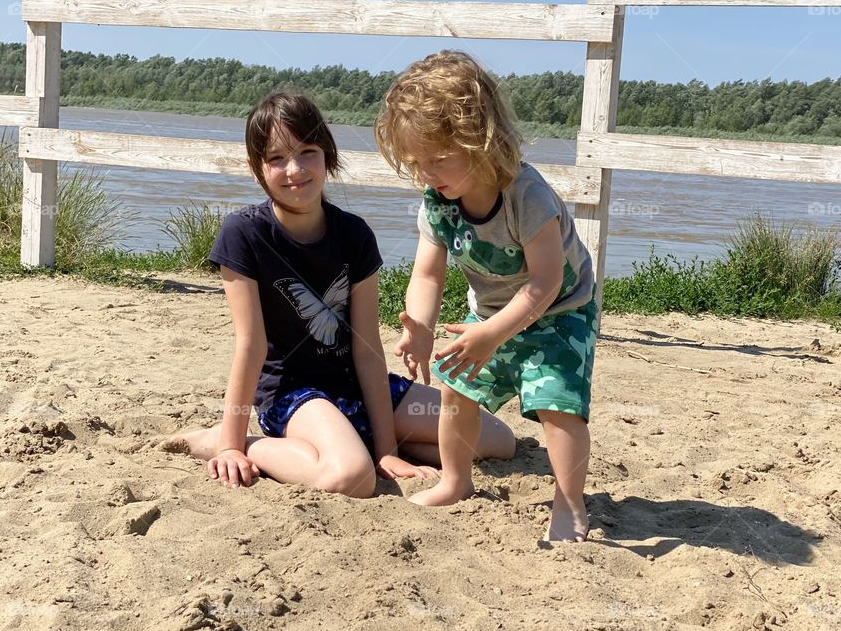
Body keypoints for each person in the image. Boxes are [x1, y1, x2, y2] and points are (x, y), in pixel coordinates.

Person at [170, 92, 515, 499]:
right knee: (351, 477)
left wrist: (387, 452)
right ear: (256, 168)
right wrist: (230, 444)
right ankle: (246, 443)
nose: (294, 169)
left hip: (353, 385)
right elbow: (251, 345)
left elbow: (367, 348)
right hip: (294, 394)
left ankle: (363, 441)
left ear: (328, 155)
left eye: (307, 152)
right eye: (277, 158)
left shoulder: (354, 235)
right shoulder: (244, 234)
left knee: (494, 439)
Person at [375, 51, 598, 541]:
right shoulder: (438, 201)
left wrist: (492, 335)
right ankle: (456, 481)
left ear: (480, 139)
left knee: (555, 403)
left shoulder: (527, 196)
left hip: (560, 311)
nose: (427, 173)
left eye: (437, 158)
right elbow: (428, 274)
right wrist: (420, 327)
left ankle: (570, 503)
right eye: (415, 162)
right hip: (491, 312)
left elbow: (546, 282)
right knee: (454, 382)